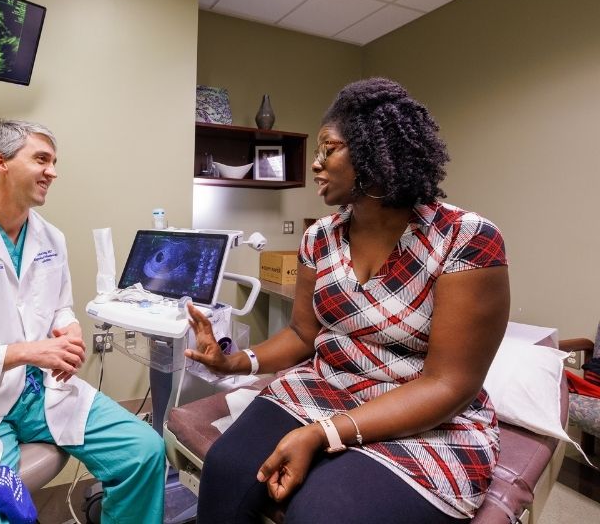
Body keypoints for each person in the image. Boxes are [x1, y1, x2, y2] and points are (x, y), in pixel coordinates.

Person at [185, 78, 510, 523]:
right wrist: (234, 361)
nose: (317, 165)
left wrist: (324, 434)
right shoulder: (319, 238)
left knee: (324, 511)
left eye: (329, 149)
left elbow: (448, 385)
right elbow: (303, 333)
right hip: (324, 388)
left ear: (375, 154)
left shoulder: (465, 239)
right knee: (226, 468)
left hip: (427, 416)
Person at [0, 119, 165, 524]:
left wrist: (68, 328)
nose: (52, 171)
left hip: (40, 393)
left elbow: (60, 306)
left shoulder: (51, 239)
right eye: (41, 159)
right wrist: (27, 352)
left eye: (54, 161)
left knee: (144, 451)